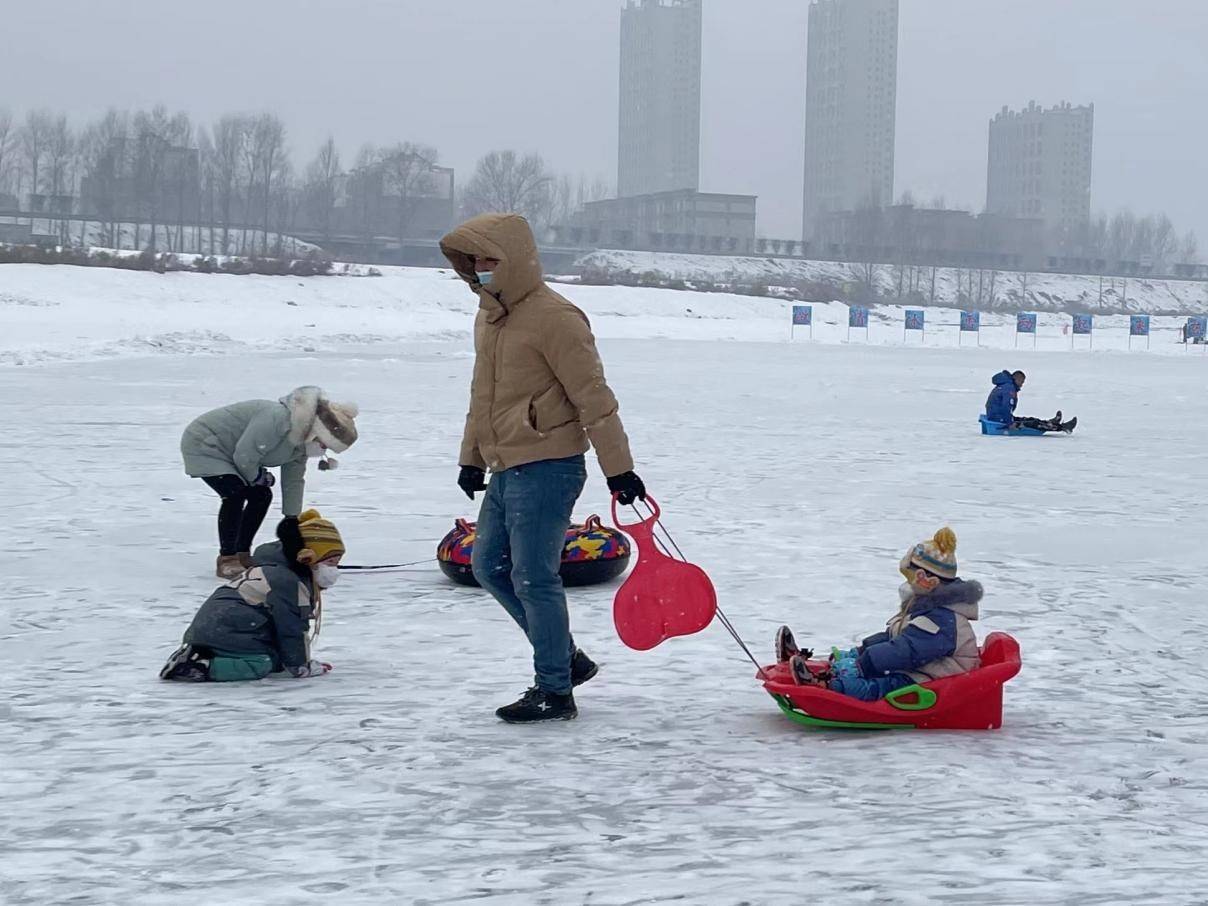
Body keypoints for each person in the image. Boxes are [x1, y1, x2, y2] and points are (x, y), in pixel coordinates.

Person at [440, 212, 646, 724]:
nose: (482, 270)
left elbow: (594, 398)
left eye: (491, 260)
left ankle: (555, 690)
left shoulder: (556, 317)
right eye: (476, 262)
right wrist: (471, 457)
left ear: (515, 259)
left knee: (535, 576)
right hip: (506, 465)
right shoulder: (490, 317)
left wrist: (619, 470)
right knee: (489, 567)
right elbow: (481, 396)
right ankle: (565, 658)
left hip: (550, 465)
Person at [774, 528, 984, 701]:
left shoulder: (942, 620)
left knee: (880, 686)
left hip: (933, 681)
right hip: (923, 669)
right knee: (870, 661)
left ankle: (828, 686)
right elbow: (895, 637)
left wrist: (863, 664)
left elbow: (905, 651)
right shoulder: (930, 608)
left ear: (926, 580)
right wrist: (860, 651)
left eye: (911, 577)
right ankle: (821, 665)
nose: (908, 583)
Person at [181, 386, 359, 578]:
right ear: (319, 432)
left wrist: (291, 517)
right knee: (235, 493)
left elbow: (294, 480)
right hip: (207, 444)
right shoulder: (277, 420)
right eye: (325, 444)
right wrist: (258, 477)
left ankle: (242, 553)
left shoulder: (300, 445)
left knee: (262, 495)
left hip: (235, 455)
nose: (323, 449)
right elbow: (245, 455)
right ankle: (227, 559)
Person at [159, 509, 344, 682]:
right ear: (307, 557)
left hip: (219, 630)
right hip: (227, 631)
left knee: (274, 659)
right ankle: (199, 666)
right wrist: (301, 665)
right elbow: (292, 628)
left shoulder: (275, 571)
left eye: (337, 563)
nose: (333, 570)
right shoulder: (287, 582)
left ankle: (200, 654)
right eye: (329, 562)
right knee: (261, 664)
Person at [984, 369, 1075, 433]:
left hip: (997, 416)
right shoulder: (1009, 389)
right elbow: (1006, 407)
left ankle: (1052, 422)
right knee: (1033, 424)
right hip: (999, 419)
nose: (1022, 385)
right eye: (1022, 382)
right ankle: (1064, 428)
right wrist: (1010, 423)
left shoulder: (1005, 385)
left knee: (1029, 420)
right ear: (1017, 379)